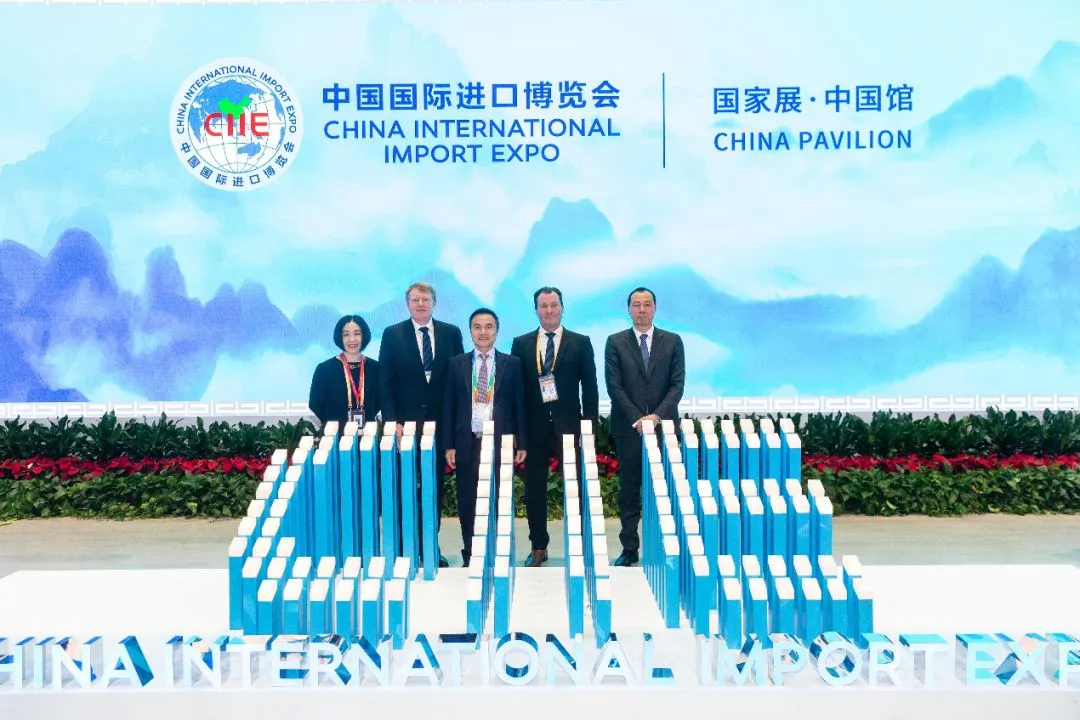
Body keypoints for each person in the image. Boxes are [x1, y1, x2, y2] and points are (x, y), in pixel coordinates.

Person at [510, 286, 599, 567]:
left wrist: (589, 430)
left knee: (575, 489)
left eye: (554, 305)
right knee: (534, 491)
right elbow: (516, 392)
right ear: (536, 310)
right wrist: (518, 433)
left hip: (569, 427)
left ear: (562, 307)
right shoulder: (521, 344)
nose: (549, 310)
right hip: (534, 429)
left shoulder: (580, 342)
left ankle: (579, 545)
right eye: (543, 306)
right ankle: (538, 546)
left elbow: (591, 389)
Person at [378, 282, 464, 567]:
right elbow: (385, 382)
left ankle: (430, 545)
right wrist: (393, 422)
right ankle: (405, 547)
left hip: (440, 427)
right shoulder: (392, 334)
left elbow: (460, 380)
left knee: (433, 488)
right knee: (404, 487)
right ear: (407, 304)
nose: (420, 304)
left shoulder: (451, 333)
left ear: (434, 303)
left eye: (425, 299)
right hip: (405, 428)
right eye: (415, 300)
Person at [604, 287, 685, 567]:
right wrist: (638, 418)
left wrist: (656, 417)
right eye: (636, 304)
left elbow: (677, 385)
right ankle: (629, 549)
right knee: (629, 491)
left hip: (664, 430)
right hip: (629, 429)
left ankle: (664, 549)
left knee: (664, 491)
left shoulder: (673, 341)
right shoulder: (615, 342)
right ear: (629, 309)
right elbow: (614, 385)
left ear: (655, 308)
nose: (641, 309)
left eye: (647, 304)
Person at [443, 308, 527, 567]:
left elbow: (520, 405)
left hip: (500, 442)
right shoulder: (456, 363)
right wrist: (448, 444)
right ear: (470, 331)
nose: (483, 332)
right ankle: (471, 553)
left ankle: (499, 553)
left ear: (497, 331)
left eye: (488, 326)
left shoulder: (512, 364)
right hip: (466, 441)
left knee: (500, 499)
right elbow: (448, 406)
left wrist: (522, 442)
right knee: (468, 501)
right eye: (477, 327)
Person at [308, 314, 381, 431]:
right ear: (340, 337)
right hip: (334, 436)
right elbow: (315, 405)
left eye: (357, 334)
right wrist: (332, 427)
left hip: (367, 435)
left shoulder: (376, 368)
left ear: (364, 336)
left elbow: (379, 402)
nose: (352, 339)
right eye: (346, 334)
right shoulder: (325, 369)